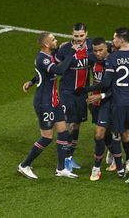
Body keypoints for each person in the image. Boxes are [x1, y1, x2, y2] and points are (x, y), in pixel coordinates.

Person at [78, 27, 129, 185]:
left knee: (116, 135)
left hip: (118, 102)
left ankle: (121, 168)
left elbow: (106, 83)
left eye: (115, 38)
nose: (113, 41)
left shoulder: (113, 58)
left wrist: (86, 89)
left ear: (121, 40)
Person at [17, 32, 80, 179]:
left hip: (54, 101)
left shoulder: (49, 55)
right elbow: (58, 70)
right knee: (46, 137)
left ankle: (61, 168)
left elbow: (42, 74)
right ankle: (24, 165)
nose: (56, 40)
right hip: (44, 103)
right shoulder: (42, 58)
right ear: (46, 44)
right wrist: (72, 52)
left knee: (63, 132)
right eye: (53, 39)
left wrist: (32, 82)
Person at [55, 23, 95, 170]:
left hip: (82, 92)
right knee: (69, 125)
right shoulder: (65, 48)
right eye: (76, 36)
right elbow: (56, 66)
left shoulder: (91, 46)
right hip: (67, 91)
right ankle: (63, 159)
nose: (78, 39)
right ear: (72, 34)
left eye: (81, 36)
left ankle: (70, 157)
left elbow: (108, 47)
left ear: (86, 34)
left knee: (77, 124)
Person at [85, 37, 113, 181]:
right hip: (94, 102)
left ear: (107, 48)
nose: (97, 53)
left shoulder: (114, 61)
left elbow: (118, 88)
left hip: (109, 101)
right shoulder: (92, 59)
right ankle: (114, 152)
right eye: (95, 50)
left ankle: (96, 168)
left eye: (101, 50)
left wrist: (101, 96)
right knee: (105, 132)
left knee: (98, 134)